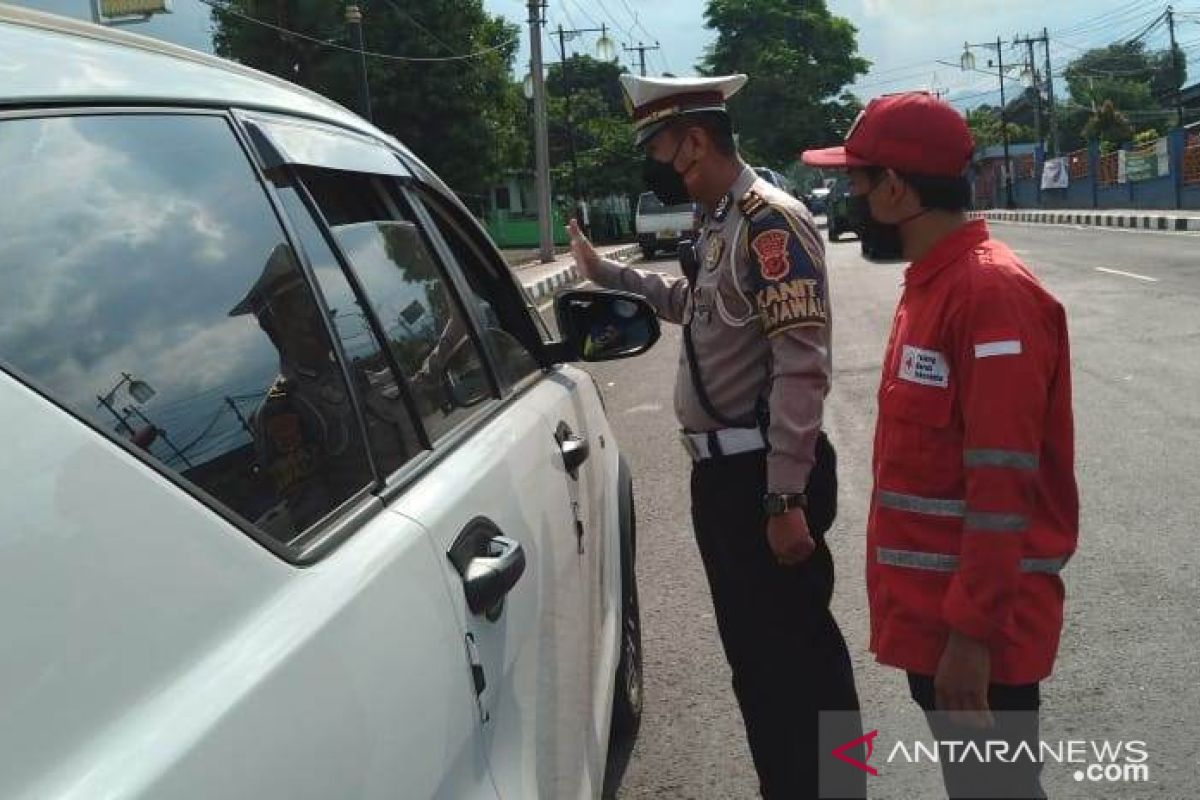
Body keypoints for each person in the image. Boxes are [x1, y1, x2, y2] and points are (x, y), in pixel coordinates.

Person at [568, 73, 862, 799]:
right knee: (757, 661)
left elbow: (802, 364)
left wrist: (784, 495)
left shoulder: (770, 222)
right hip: (725, 482)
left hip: (765, 477)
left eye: (661, 150)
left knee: (805, 659)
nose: (658, 167)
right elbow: (694, 305)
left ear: (695, 141)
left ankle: (838, 790)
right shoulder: (721, 223)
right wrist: (608, 273)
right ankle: (790, 788)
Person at [802, 92, 1079, 799]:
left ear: (895, 189)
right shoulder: (931, 285)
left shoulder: (989, 294)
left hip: (978, 633)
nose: (847, 199)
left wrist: (971, 637)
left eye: (856, 184)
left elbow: (1001, 484)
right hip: (937, 619)